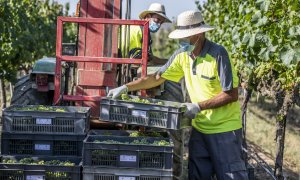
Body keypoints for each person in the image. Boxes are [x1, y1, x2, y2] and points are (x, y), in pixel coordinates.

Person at [110, 10, 249, 180]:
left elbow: (231, 94)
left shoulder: (218, 54)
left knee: (230, 175)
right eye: (181, 36)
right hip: (200, 129)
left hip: (225, 130)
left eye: (187, 36)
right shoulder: (182, 55)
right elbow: (156, 78)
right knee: (197, 175)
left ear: (200, 34)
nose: (183, 40)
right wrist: (125, 87)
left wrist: (199, 106)